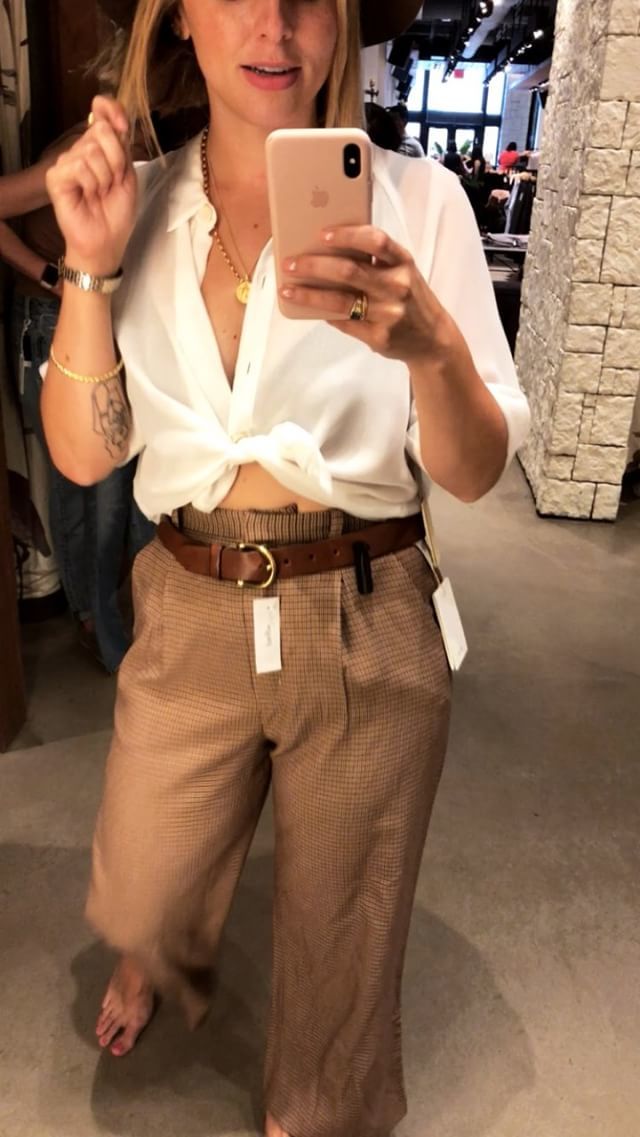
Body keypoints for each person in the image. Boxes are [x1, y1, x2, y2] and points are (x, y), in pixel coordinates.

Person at [43, 0, 530, 1135]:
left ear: (344, 19)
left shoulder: (421, 204)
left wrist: (431, 349)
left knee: (345, 926)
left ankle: (313, 1107)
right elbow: (86, 455)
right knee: (145, 877)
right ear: (178, 19)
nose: (275, 23)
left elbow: (470, 474)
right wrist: (89, 268)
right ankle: (156, 948)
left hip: (364, 610)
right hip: (189, 602)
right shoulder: (138, 207)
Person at [2, 127, 155, 671]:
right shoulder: (86, 150)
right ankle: (96, 623)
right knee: (93, 489)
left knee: (129, 489)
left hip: (117, 318)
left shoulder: (170, 153)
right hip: (53, 319)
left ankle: (130, 624)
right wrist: (53, 276)